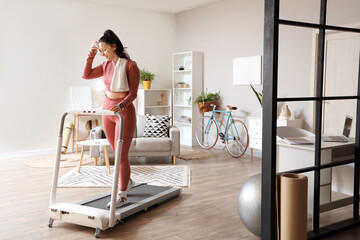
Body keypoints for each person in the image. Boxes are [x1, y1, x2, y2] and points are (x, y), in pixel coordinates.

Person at [82, 29, 140, 207]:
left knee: (121, 154)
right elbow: (86, 74)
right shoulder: (106, 65)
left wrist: (122, 105)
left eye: (104, 50)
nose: (102, 53)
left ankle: (122, 194)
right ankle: (127, 182)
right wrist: (90, 55)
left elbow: (133, 93)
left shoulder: (131, 66)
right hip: (106, 113)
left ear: (114, 46)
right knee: (117, 153)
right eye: (99, 51)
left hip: (123, 113)